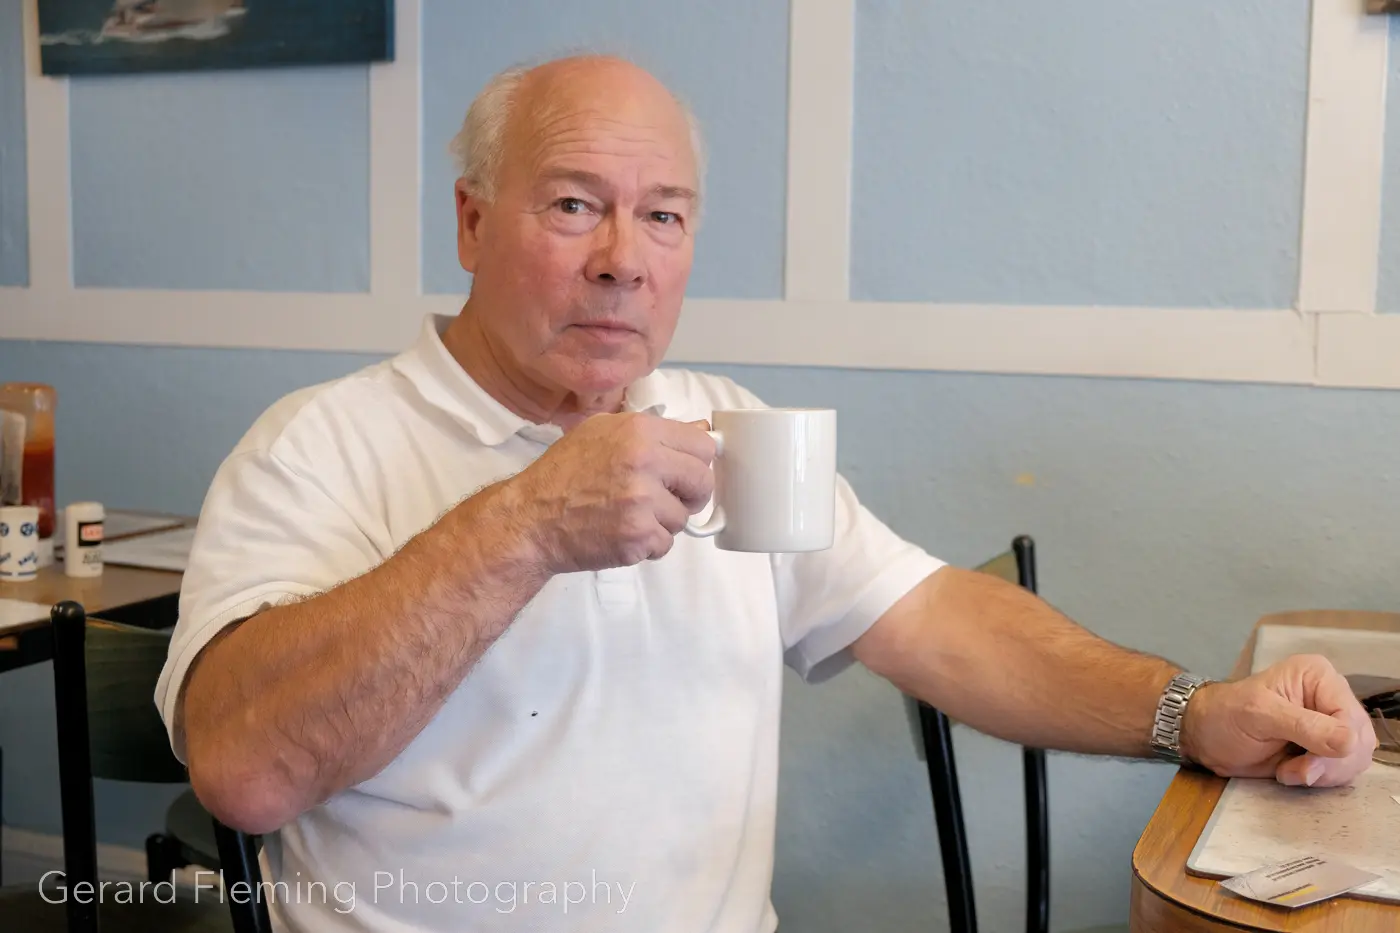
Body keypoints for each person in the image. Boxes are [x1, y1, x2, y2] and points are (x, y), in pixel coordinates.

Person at [155, 55, 1377, 932]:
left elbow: (940, 623)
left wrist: (1192, 711)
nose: (622, 259)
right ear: (472, 223)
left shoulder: (723, 423)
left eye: (663, 216)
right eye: (573, 205)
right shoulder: (320, 444)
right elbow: (244, 775)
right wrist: (523, 527)